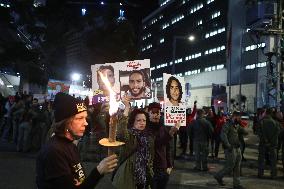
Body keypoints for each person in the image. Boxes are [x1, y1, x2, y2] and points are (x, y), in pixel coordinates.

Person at [36, 92, 118, 189]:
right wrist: (98, 171)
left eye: (85, 117)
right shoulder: (54, 152)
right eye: (79, 118)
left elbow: (80, 181)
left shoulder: (70, 145)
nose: (86, 123)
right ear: (66, 122)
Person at [112, 96, 154, 189]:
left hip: (144, 179)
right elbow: (121, 131)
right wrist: (127, 108)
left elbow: (150, 158)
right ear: (133, 122)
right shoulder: (129, 136)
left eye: (144, 120)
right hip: (128, 178)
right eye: (138, 120)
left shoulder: (148, 137)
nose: (142, 123)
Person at [147, 102, 179, 189]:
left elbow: (168, 148)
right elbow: (155, 143)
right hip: (150, 169)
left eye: (157, 113)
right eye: (152, 113)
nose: (155, 115)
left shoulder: (163, 128)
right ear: (148, 114)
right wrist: (171, 133)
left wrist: (169, 165)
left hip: (163, 168)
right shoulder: (145, 129)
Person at [213, 111, 247, 189]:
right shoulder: (227, 124)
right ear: (234, 116)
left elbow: (245, 132)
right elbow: (223, 135)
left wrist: (241, 123)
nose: (240, 118)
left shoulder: (236, 125)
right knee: (230, 166)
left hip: (237, 148)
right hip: (230, 149)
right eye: (239, 117)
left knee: (237, 166)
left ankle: (237, 184)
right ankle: (218, 176)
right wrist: (228, 145)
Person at [257, 108, 280, 179]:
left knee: (261, 159)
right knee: (273, 160)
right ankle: (273, 175)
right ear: (271, 114)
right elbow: (277, 134)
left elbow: (259, 133)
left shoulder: (261, 122)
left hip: (263, 144)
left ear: (266, 113)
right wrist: (271, 141)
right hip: (273, 144)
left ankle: (260, 174)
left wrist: (266, 140)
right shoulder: (276, 123)